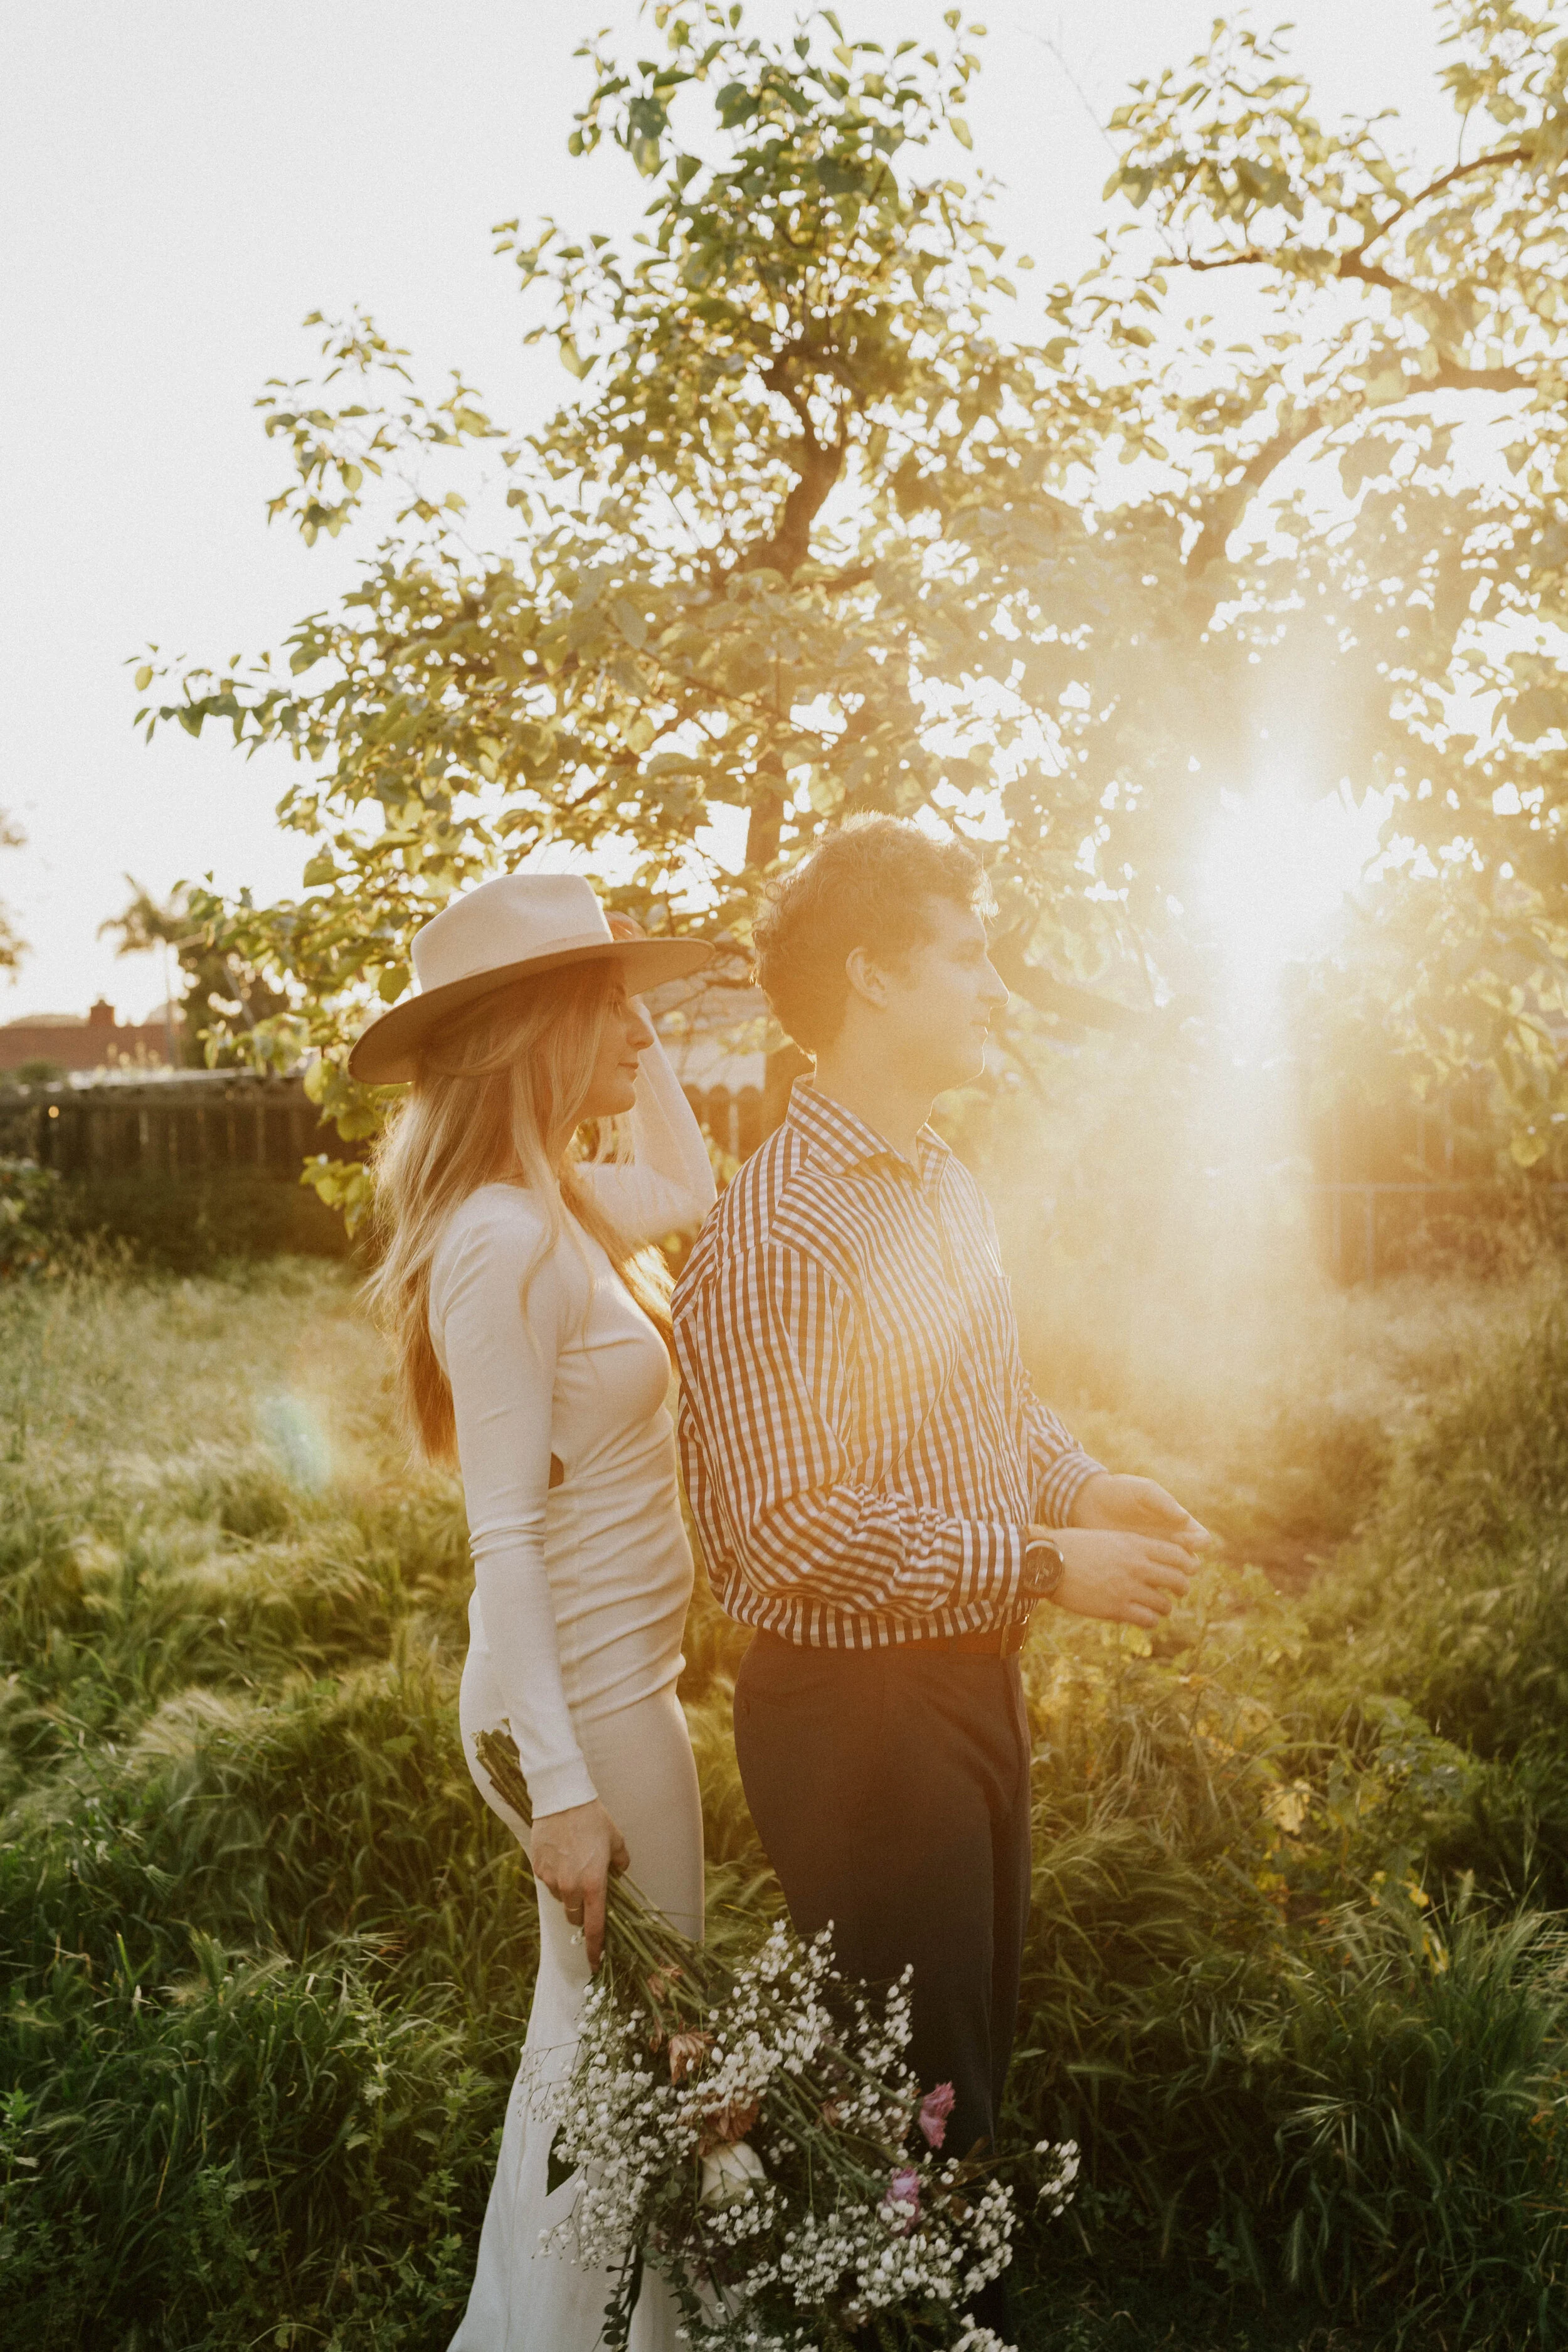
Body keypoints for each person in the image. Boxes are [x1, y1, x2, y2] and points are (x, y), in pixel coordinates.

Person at [672, 817, 1206, 2313]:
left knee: (959, 2058)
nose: (991, 987)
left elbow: (984, 1410)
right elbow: (786, 1529)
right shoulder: (779, 1226)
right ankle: (921, 2317)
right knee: (920, 2087)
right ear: (872, 975)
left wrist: (1091, 1482)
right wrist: (1043, 1561)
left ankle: (916, 2301)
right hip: (853, 1721)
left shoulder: (937, 1178)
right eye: (965, 956)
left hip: (964, 1689)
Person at [351, 871, 716, 2352]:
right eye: (605, 998)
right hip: (582, 1705)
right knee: (643, 2058)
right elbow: (497, 1534)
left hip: (616, 1686)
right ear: (529, 1029)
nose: (635, 1022)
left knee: (618, 2049)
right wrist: (562, 1795)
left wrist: (649, 1034)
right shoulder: (500, 1240)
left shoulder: (556, 1206)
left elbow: (689, 1189)